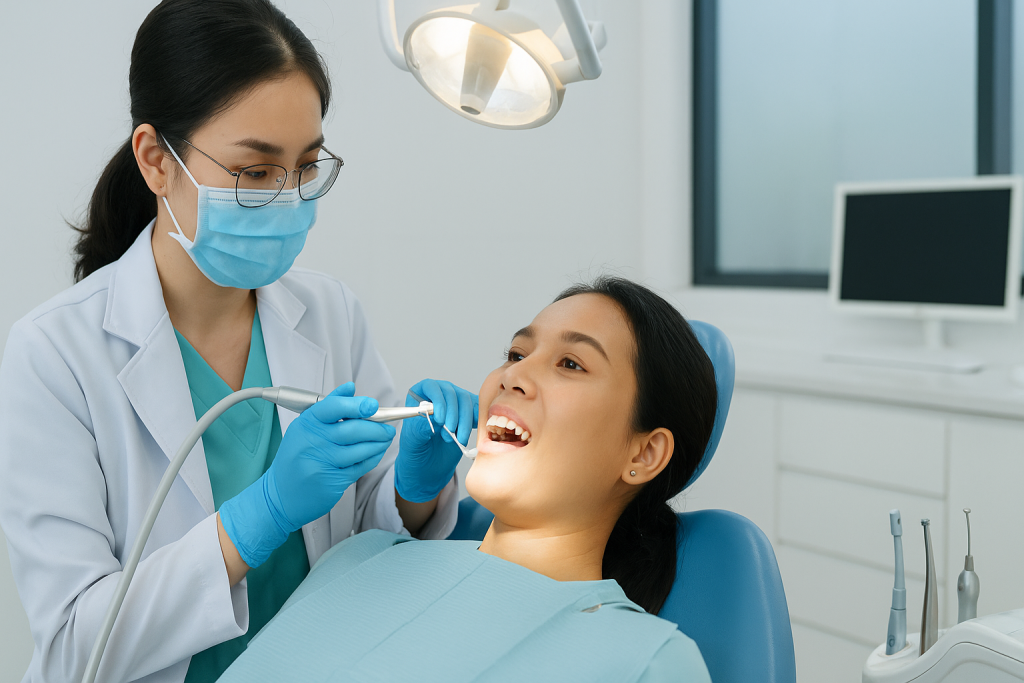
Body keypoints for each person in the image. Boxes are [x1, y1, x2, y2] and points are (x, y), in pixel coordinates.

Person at [0, 1, 477, 681]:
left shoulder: (329, 311)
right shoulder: (55, 355)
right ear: (156, 160)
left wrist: (416, 489)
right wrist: (258, 517)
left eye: (306, 166)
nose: (287, 197)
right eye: (254, 173)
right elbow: (80, 646)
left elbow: (372, 535)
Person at [219, 276, 719, 682]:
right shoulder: (359, 556)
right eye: (517, 354)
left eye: (570, 363)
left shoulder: (647, 662)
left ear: (644, 452)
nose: (511, 377)